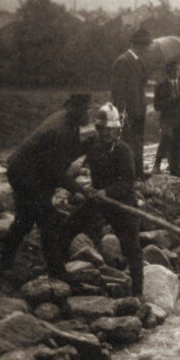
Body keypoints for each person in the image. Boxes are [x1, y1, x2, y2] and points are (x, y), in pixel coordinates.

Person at [0, 93, 92, 276]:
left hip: (29, 172)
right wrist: (79, 190)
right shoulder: (61, 129)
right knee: (47, 222)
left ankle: (4, 263)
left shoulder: (66, 119)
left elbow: (66, 152)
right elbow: (55, 171)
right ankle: (56, 271)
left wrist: (87, 145)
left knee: (25, 220)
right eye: (86, 110)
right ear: (78, 110)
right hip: (26, 176)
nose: (88, 114)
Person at [62, 103, 143, 297]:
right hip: (98, 200)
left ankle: (138, 293)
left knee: (132, 248)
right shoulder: (93, 147)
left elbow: (127, 183)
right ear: (98, 129)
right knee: (68, 228)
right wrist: (74, 181)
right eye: (104, 130)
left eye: (111, 130)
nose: (108, 134)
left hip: (122, 204)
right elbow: (75, 162)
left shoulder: (124, 151)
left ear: (117, 131)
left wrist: (107, 192)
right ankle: (59, 272)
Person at [110, 28, 152, 179]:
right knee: (127, 143)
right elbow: (118, 92)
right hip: (129, 111)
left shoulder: (138, 61)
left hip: (139, 110)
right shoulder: (123, 61)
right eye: (147, 45)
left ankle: (138, 172)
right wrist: (121, 112)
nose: (148, 49)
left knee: (137, 142)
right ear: (139, 45)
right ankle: (129, 174)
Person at [152, 61, 180, 175]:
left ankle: (175, 167)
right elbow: (157, 106)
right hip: (167, 119)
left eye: (179, 70)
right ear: (169, 71)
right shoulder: (161, 86)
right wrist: (169, 100)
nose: (177, 72)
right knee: (166, 139)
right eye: (175, 70)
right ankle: (157, 164)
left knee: (179, 143)